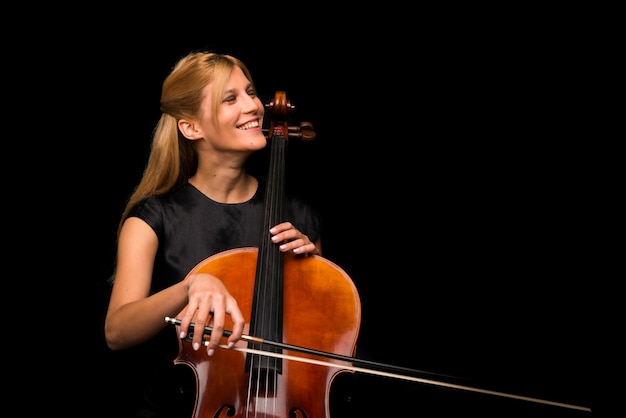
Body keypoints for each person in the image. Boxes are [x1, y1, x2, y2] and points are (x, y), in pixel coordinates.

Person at [104, 51, 322, 418]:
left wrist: (314, 275)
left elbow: (318, 342)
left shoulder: (297, 216)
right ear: (191, 128)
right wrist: (190, 286)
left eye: (251, 92)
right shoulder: (152, 218)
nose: (254, 106)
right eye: (230, 98)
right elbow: (117, 331)